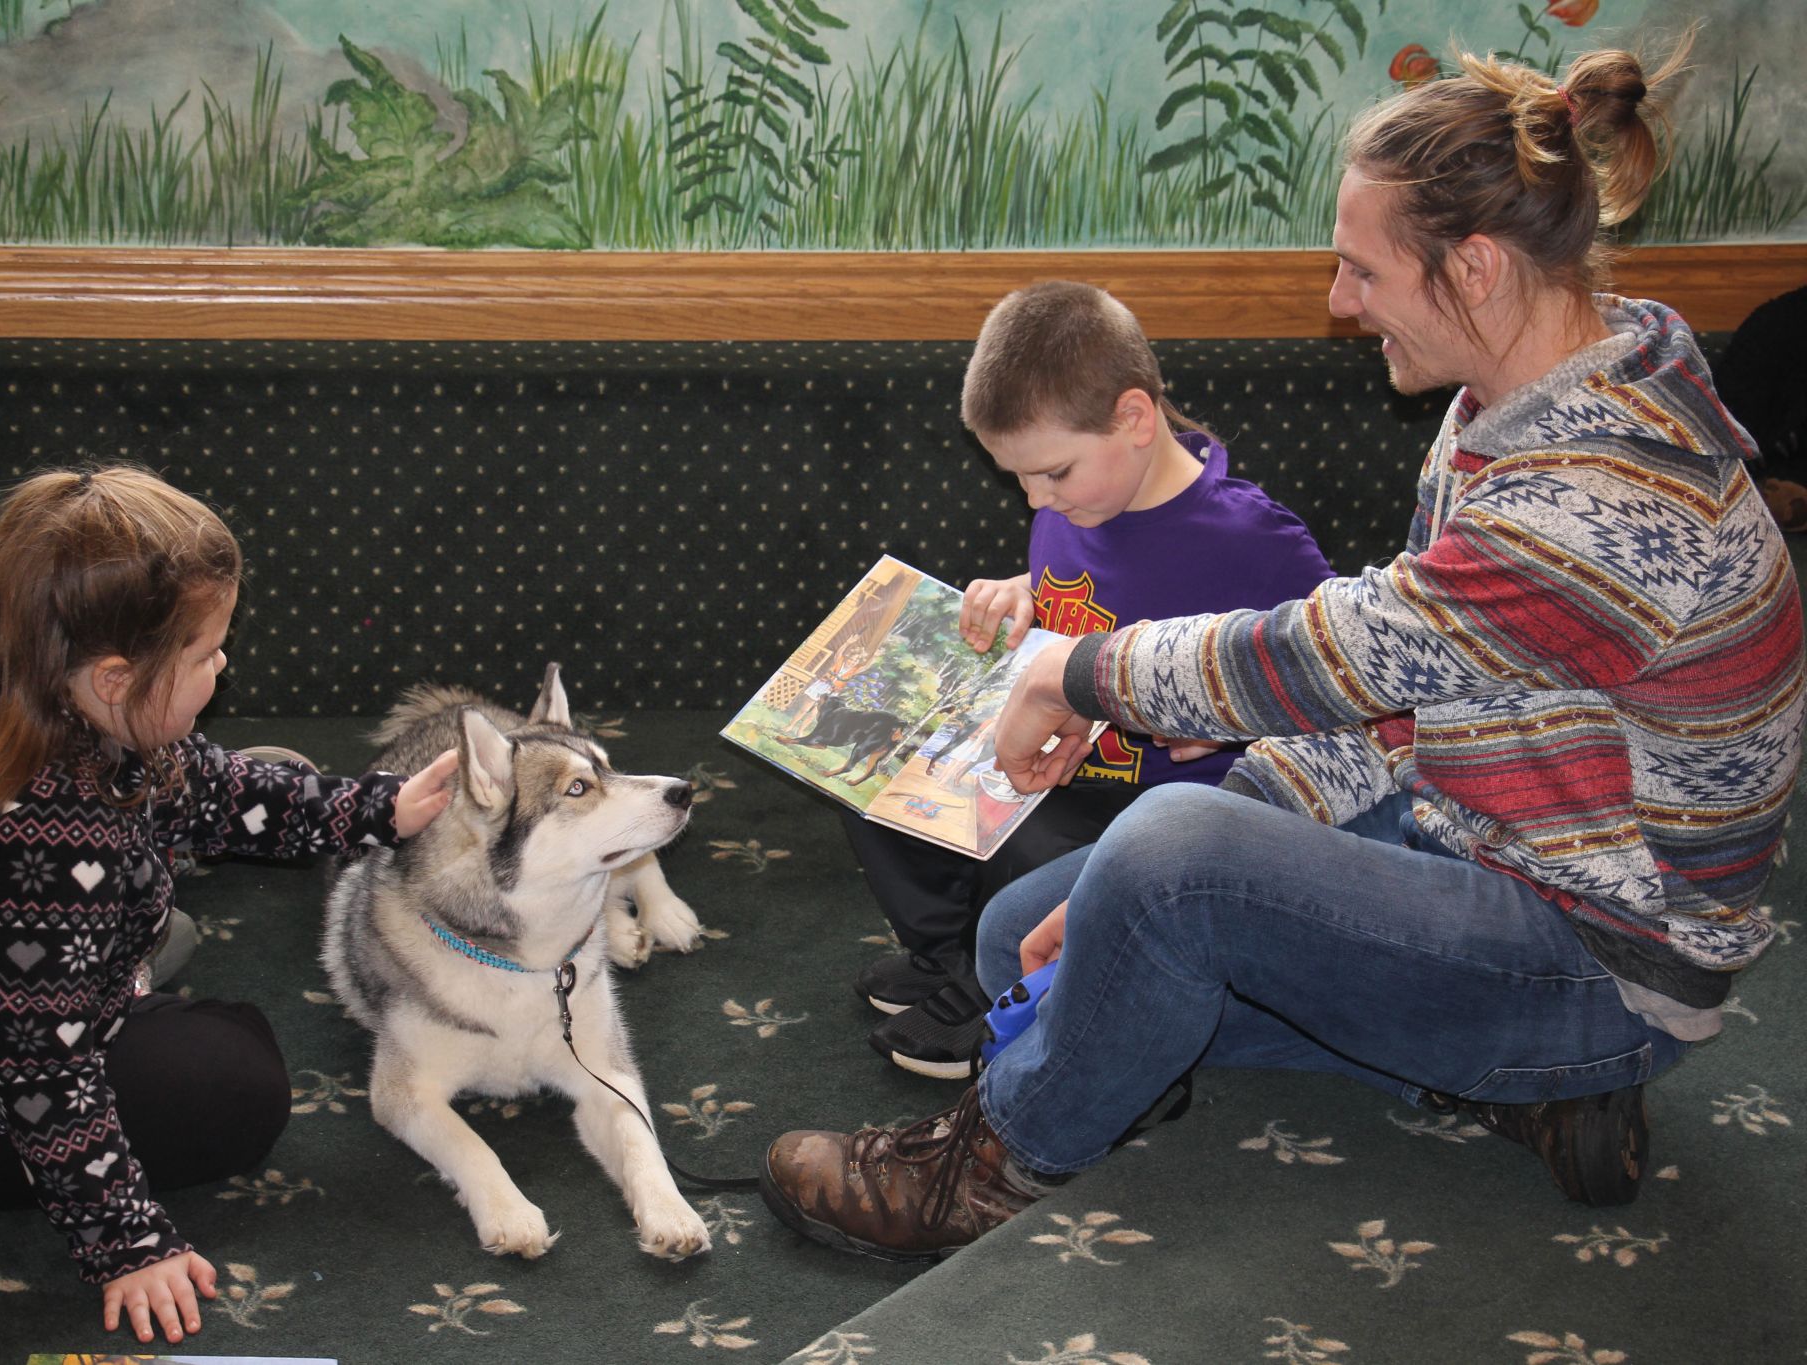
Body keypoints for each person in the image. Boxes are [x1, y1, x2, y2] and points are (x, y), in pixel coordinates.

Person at [760, 40, 1805, 1260]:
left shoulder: (1602, 487)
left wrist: (1074, 672)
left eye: (1361, 268)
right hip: (1484, 836)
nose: (1337, 301)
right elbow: (1396, 712)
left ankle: (986, 1169)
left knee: (1159, 866)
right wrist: (1237, 822)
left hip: (1599, 960)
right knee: (1028, 934)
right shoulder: (1511, 410)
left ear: (1470, 267)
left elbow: (1334, 655)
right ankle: (1512, 1090)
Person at [0, 468, 460, 1342]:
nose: (224, 663)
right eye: (206, 654)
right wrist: (128, 1245)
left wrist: (374, 811)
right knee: (238, 1081)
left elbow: (203, 782)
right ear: (116, 678)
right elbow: (43, 1083)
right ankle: (128, 955)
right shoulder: (40, 845)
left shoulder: (12, 687)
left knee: (212, 808)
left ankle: (128, 937)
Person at [845, 280, 1333, 1078]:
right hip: (1056, 761)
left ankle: (994, 988)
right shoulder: (1078, 505)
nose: (1037, 499)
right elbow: (1089, 592)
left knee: (1027, 845)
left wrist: (1238, 717)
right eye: (1021, 481)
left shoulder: (1253, 539)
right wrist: (1020, 591)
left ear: (1134, 420)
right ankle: (945, 951)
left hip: (1162, 808)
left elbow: (1340, 677)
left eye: (1054, 474)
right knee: (870, 753)